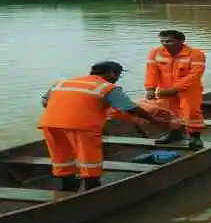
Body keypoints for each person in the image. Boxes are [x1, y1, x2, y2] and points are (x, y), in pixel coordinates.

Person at [39, 61, 169, 191]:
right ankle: (92, 187)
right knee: (89, 159)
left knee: (62, 156)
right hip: (82, 126)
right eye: (118, 75)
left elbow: (45, 101)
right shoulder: (106, 88)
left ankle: (68, 186)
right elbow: (131, 108)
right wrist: (155, 120)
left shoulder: (62, 83)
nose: (117, 79)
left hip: (50, 124)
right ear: (111, 74)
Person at [145, 29, 206, 149]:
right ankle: (174, 134)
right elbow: (151, 72)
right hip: (165, 89)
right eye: (162, 41)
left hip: (189, 90)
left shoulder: (196, 54)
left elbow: (194, 75)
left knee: (192, 112)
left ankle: (195, 137)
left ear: (181, 41)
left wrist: (175, 89)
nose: (165, 44)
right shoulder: (155, 53)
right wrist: (150, 88)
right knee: (169, 113)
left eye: (169, 41)